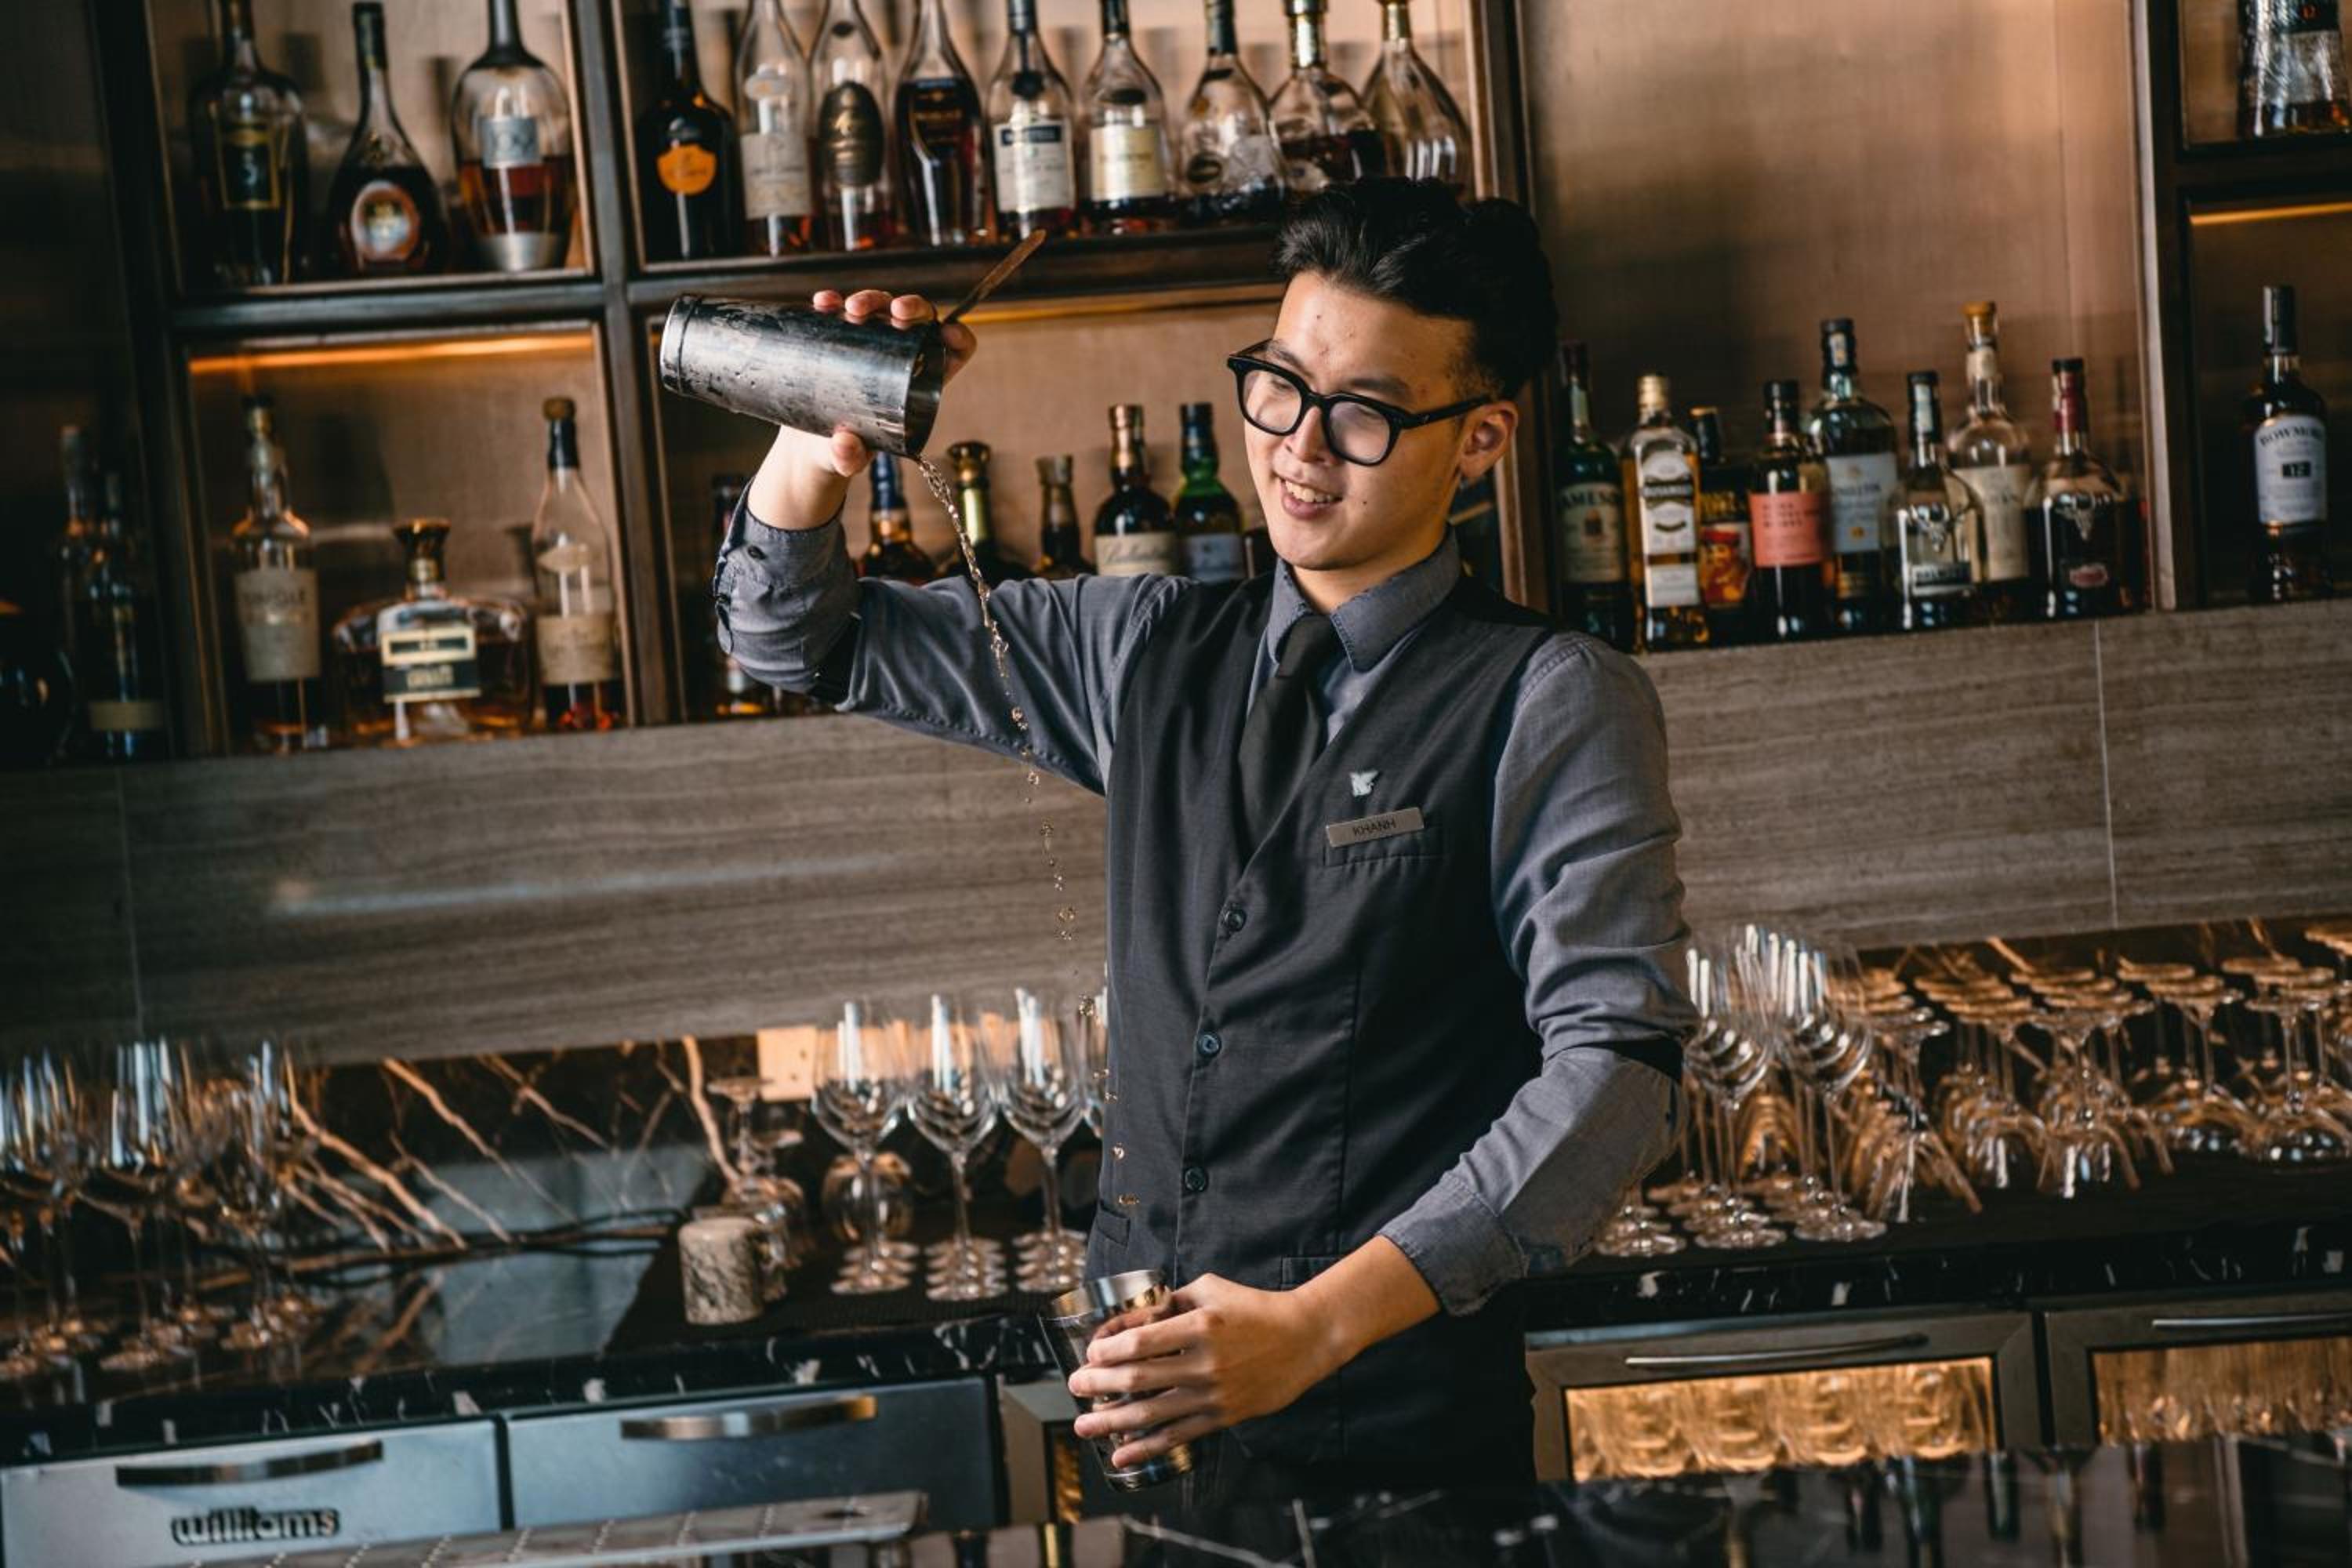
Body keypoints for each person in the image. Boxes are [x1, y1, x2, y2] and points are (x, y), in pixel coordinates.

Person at [713, 178, 1692, 1499]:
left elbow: (1620, 1076)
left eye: (1364, 413)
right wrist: (816, 437)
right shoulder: (1142, 648)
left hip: (1407, 1457)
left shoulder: (1552, 696)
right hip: (1157, 1442)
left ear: (1480, 441)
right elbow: (795, 637)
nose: (1299, 447)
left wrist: (1317, 1327)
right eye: (1278, 386)